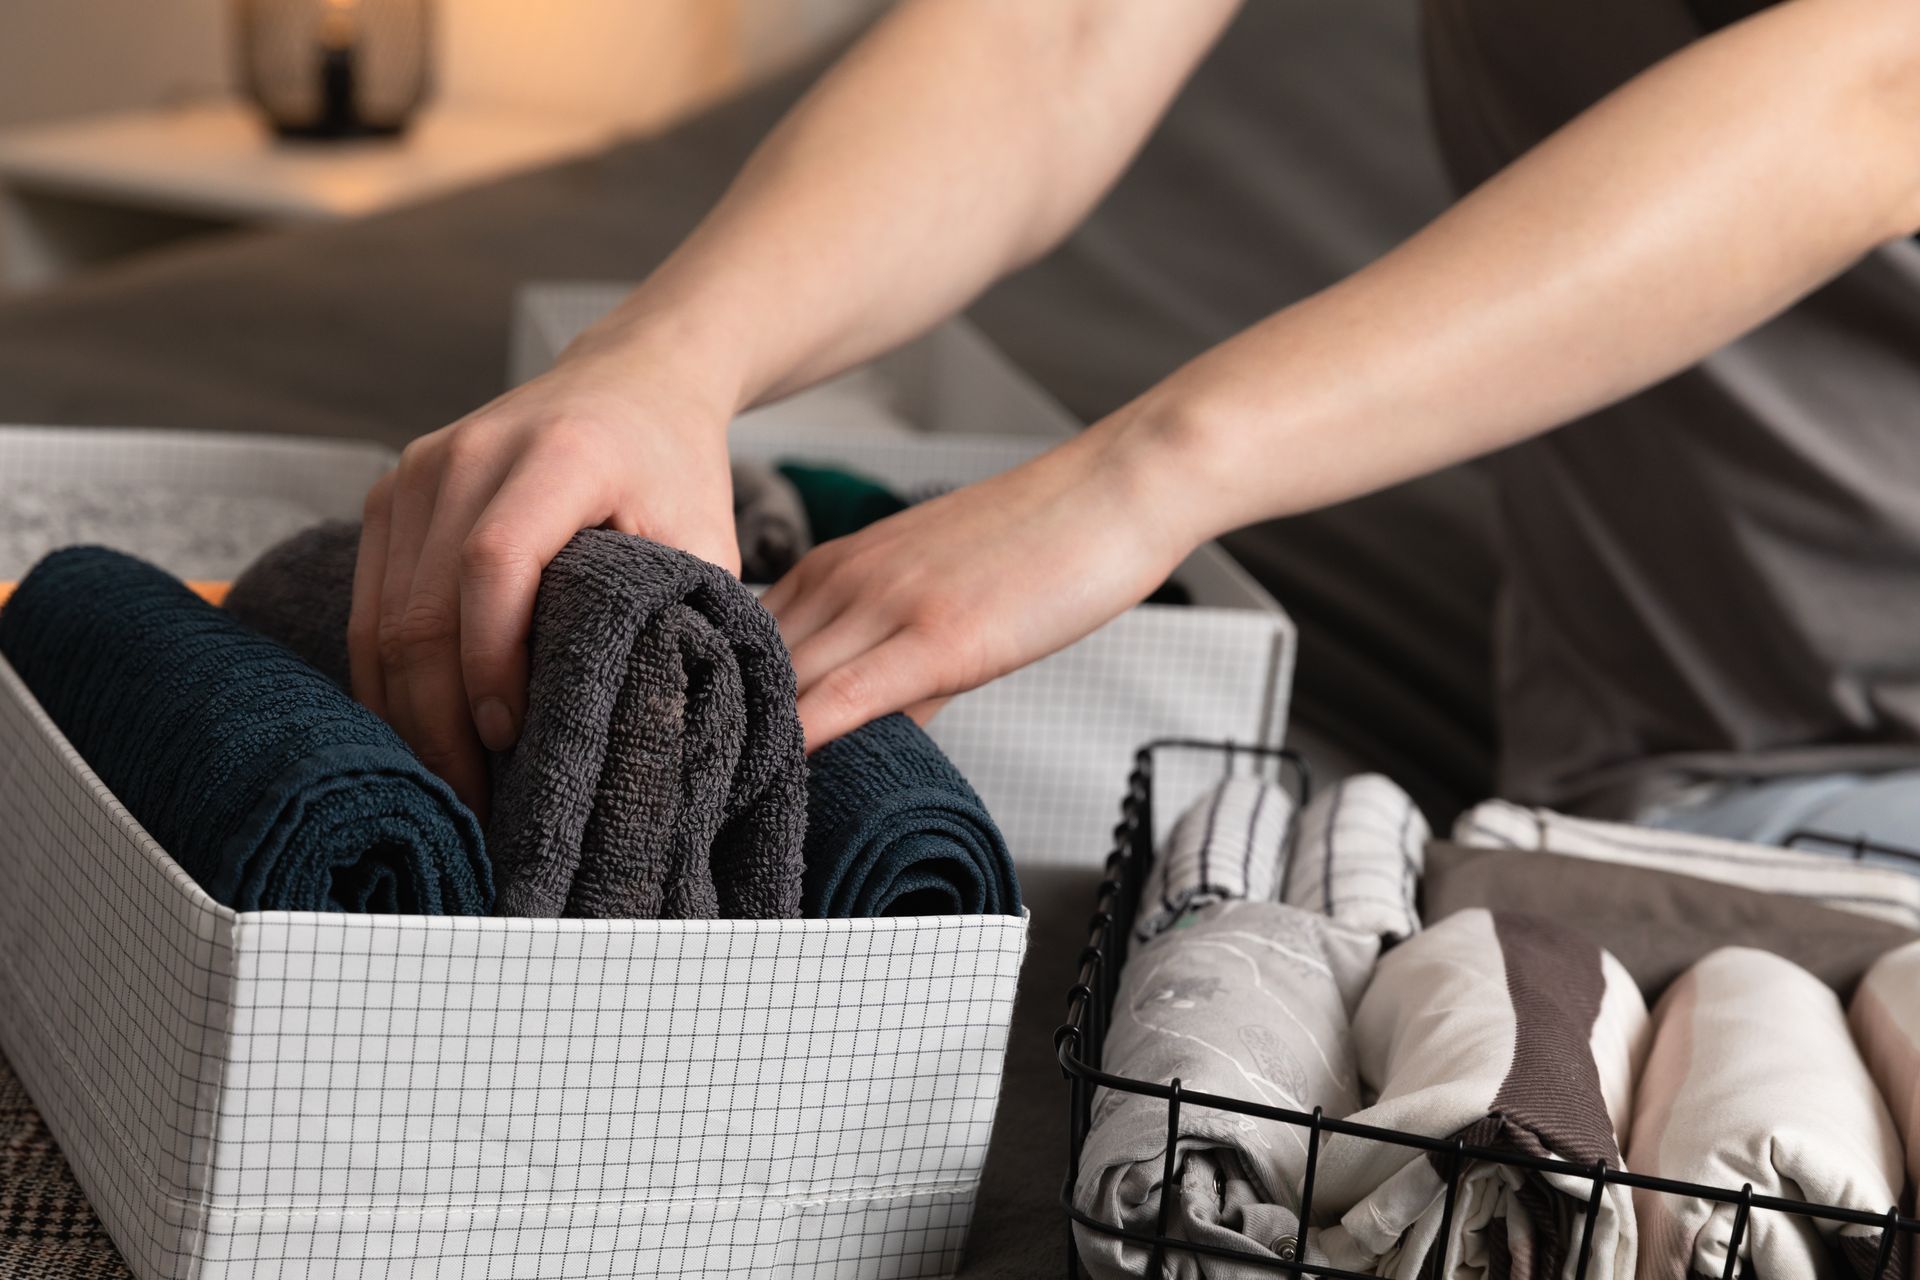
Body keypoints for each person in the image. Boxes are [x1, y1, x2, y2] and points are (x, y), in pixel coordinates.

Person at [347, 0, 1920, 851]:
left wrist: (1140, 476)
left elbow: (1877, 87)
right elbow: (1064, 36)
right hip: (1683, 764)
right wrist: (668, 358)